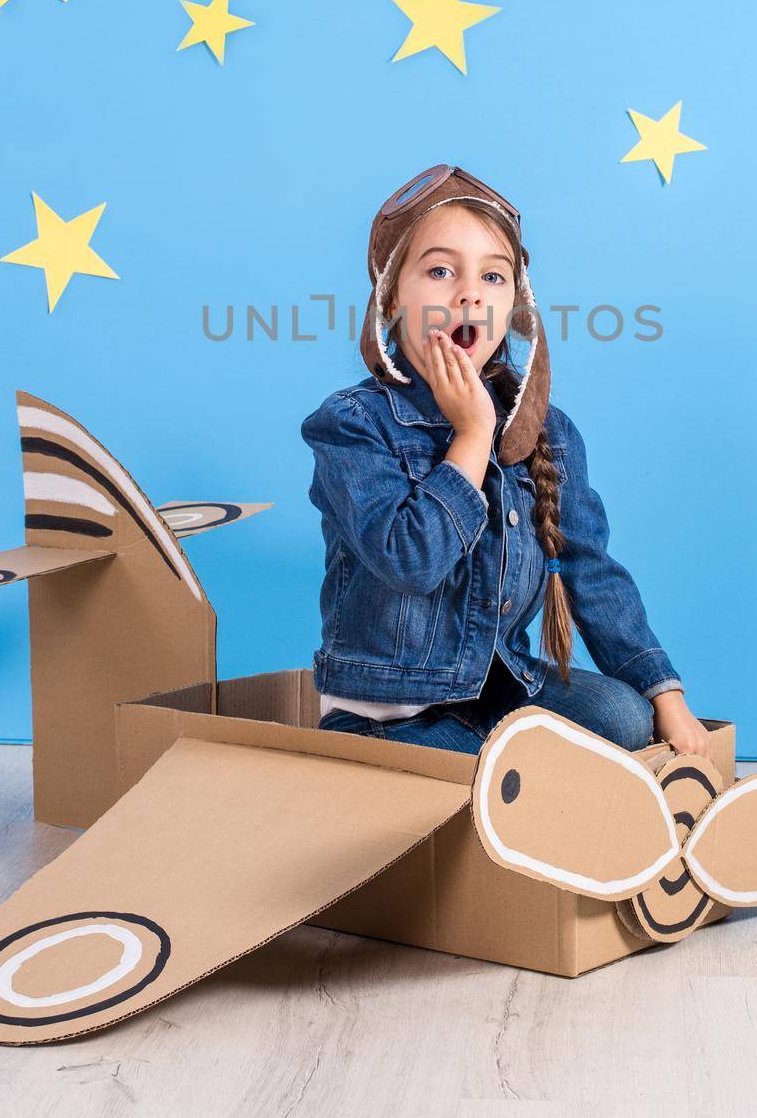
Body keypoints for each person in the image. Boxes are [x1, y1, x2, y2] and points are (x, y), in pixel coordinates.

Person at [300, 163, 714, 762]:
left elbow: (592, 573)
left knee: (625, 716)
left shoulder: (551, 433)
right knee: (464, 755)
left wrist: (665, 696)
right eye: (440, 271)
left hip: (499, 691)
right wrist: (471, 434)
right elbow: (412, 562)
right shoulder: (354, 425)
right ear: (392, 297)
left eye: (493, 278)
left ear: (514, 306)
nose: (469, 293)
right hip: (393, 711)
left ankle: (504, 759)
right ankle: (478, 764)